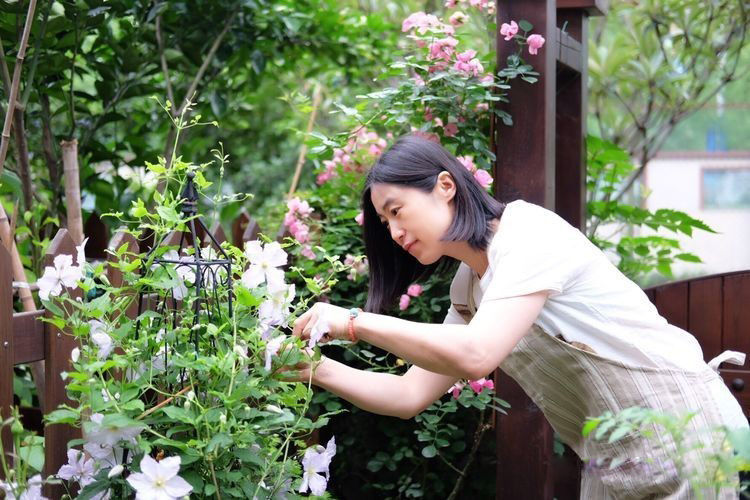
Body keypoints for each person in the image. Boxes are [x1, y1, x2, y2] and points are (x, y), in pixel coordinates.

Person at [291, 134, 748, 498]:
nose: (394, 232)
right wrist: (314, 369)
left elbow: (476, 354)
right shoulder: (468, 288)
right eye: (385, 223)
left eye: (396, 212)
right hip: (615, 462)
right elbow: (409, 393)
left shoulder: (528, 234)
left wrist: (353, 321)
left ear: (445, 186)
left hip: (685, 436)